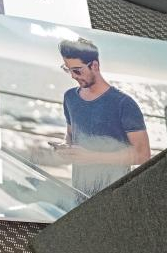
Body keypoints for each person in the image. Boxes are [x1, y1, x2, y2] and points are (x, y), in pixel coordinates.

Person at [57, 38, 151, 196]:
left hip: (113, 195)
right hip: (78, 192)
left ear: (94, 65)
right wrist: (65, 148)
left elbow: (143, 155)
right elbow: (71, 135)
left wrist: (91, 157)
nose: (72, 76)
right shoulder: (70, 97)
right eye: (68, 69)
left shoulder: (124, 103)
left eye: (77, 70)